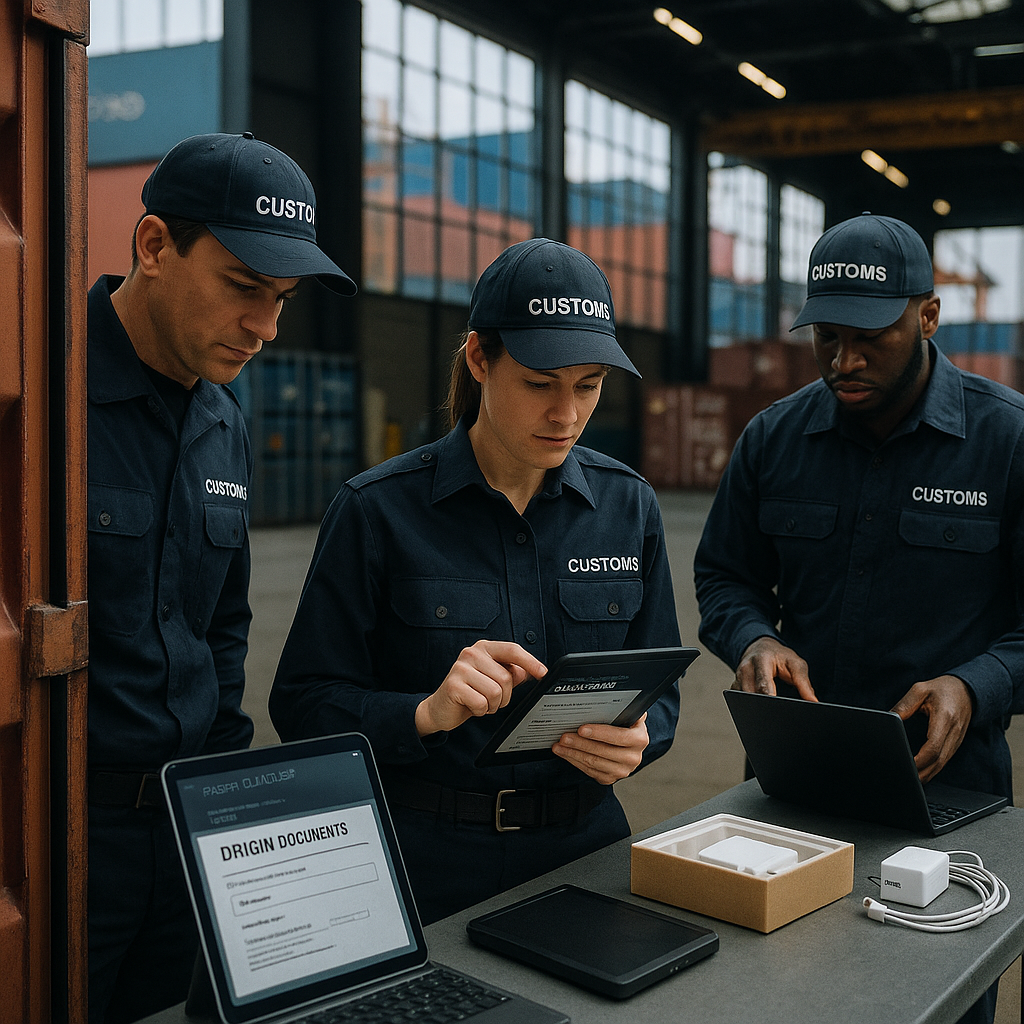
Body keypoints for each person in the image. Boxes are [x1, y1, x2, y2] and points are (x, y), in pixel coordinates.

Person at [270, 237, 681, 924]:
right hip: (424, 867)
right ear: (480, 360)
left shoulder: (628, 507)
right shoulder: (377, 511)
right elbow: (305, 705)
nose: (567, 415)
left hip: (586, 855)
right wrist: (424, 713)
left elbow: (659, 685)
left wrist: (642, 738)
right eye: (540, 384)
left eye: (588, 386)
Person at [694, 212, 1024, 1024]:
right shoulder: (774, 440)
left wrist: (974, 687)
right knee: (785, 995)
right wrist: (753, 637)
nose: (843, 360)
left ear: (928, 315)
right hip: (794, 792)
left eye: (869, 337)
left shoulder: (1007, 441)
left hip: (948, 795)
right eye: (826, 336)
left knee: (934, 1000)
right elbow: (724, 576)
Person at [87, 132, 356, 1024]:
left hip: (187, 829)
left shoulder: (223, 423)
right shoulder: (40, 394)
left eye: (281, 300)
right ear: (154, 245)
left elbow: (222, 632)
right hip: (60, 838)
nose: (267, 328)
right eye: (245, 289)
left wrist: (231, 822)